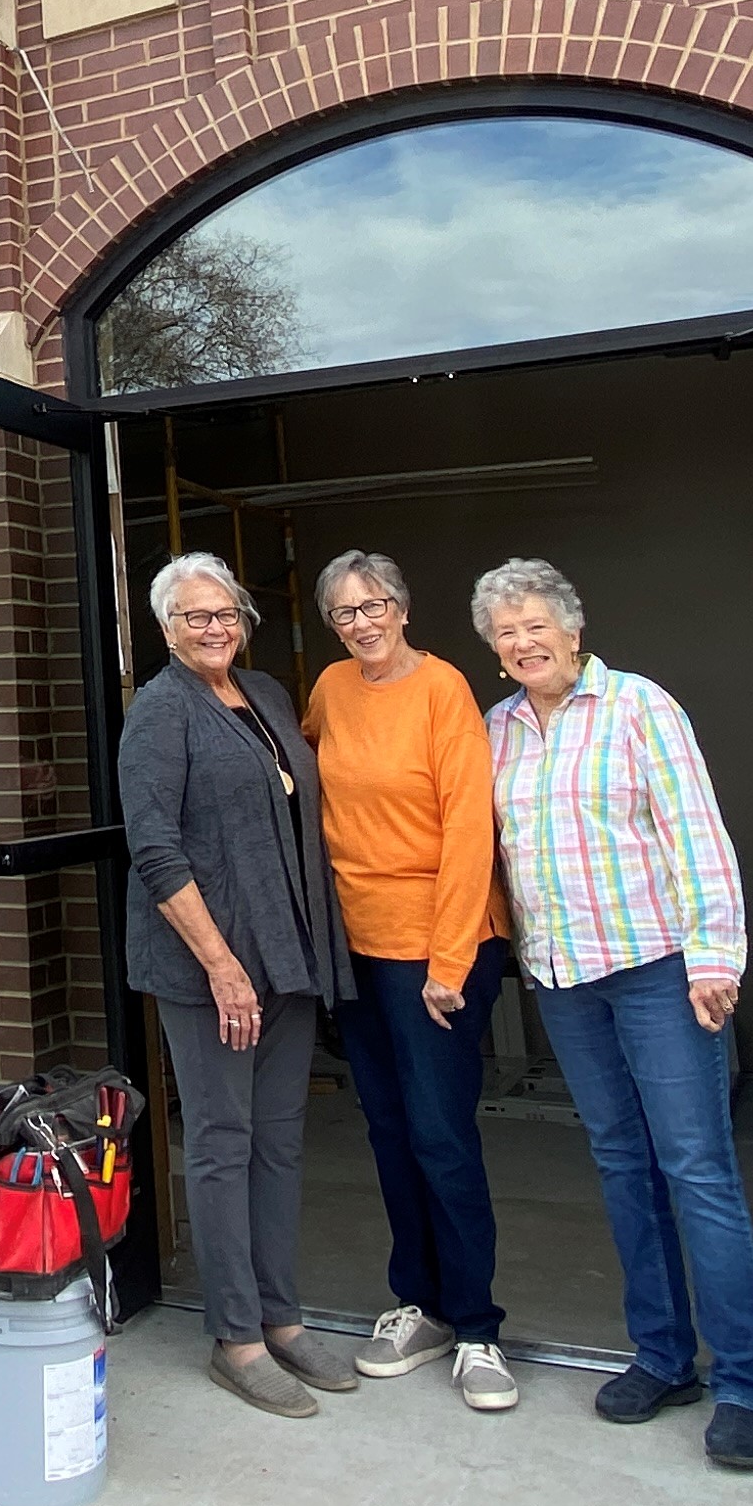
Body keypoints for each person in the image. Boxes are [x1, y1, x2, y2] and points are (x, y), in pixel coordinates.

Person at [473, 556, 753, 1470]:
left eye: (535, 626)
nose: (523, 643)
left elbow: (697, 831)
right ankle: (661, 1356)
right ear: (495, 654)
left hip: (657, 970)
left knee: (697, 1168)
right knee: (620, 1163)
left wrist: (715, 956)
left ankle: (745, 1384)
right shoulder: (498, 730)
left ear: (572, 628)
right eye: (505, 634)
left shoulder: (641, 706)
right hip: (565, 978)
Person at [117, 550, 358, 1418]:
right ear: (166, 628)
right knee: (222, 1142)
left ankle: (283, 1318)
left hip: (285, 955)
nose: (213, 628)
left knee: (280, 1142)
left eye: (224, 614)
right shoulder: (158, 713)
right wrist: (221, 966)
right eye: (194, 617)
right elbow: (156, 851)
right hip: (210, 968)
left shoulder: (266, 695)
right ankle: (237, 1337)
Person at [300, 549, 521, 1415]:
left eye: (376, 603)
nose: (362, 621)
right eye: (345, 611)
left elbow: (471, 826)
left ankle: (477, 1326)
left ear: (402, 607)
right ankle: (417, 1304)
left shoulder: (443, 690)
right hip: (358, 947)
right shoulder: (328, 689)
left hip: (438, 945)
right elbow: (307, 784)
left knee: (441, 1135)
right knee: (389, 1130)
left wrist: (450, 960)